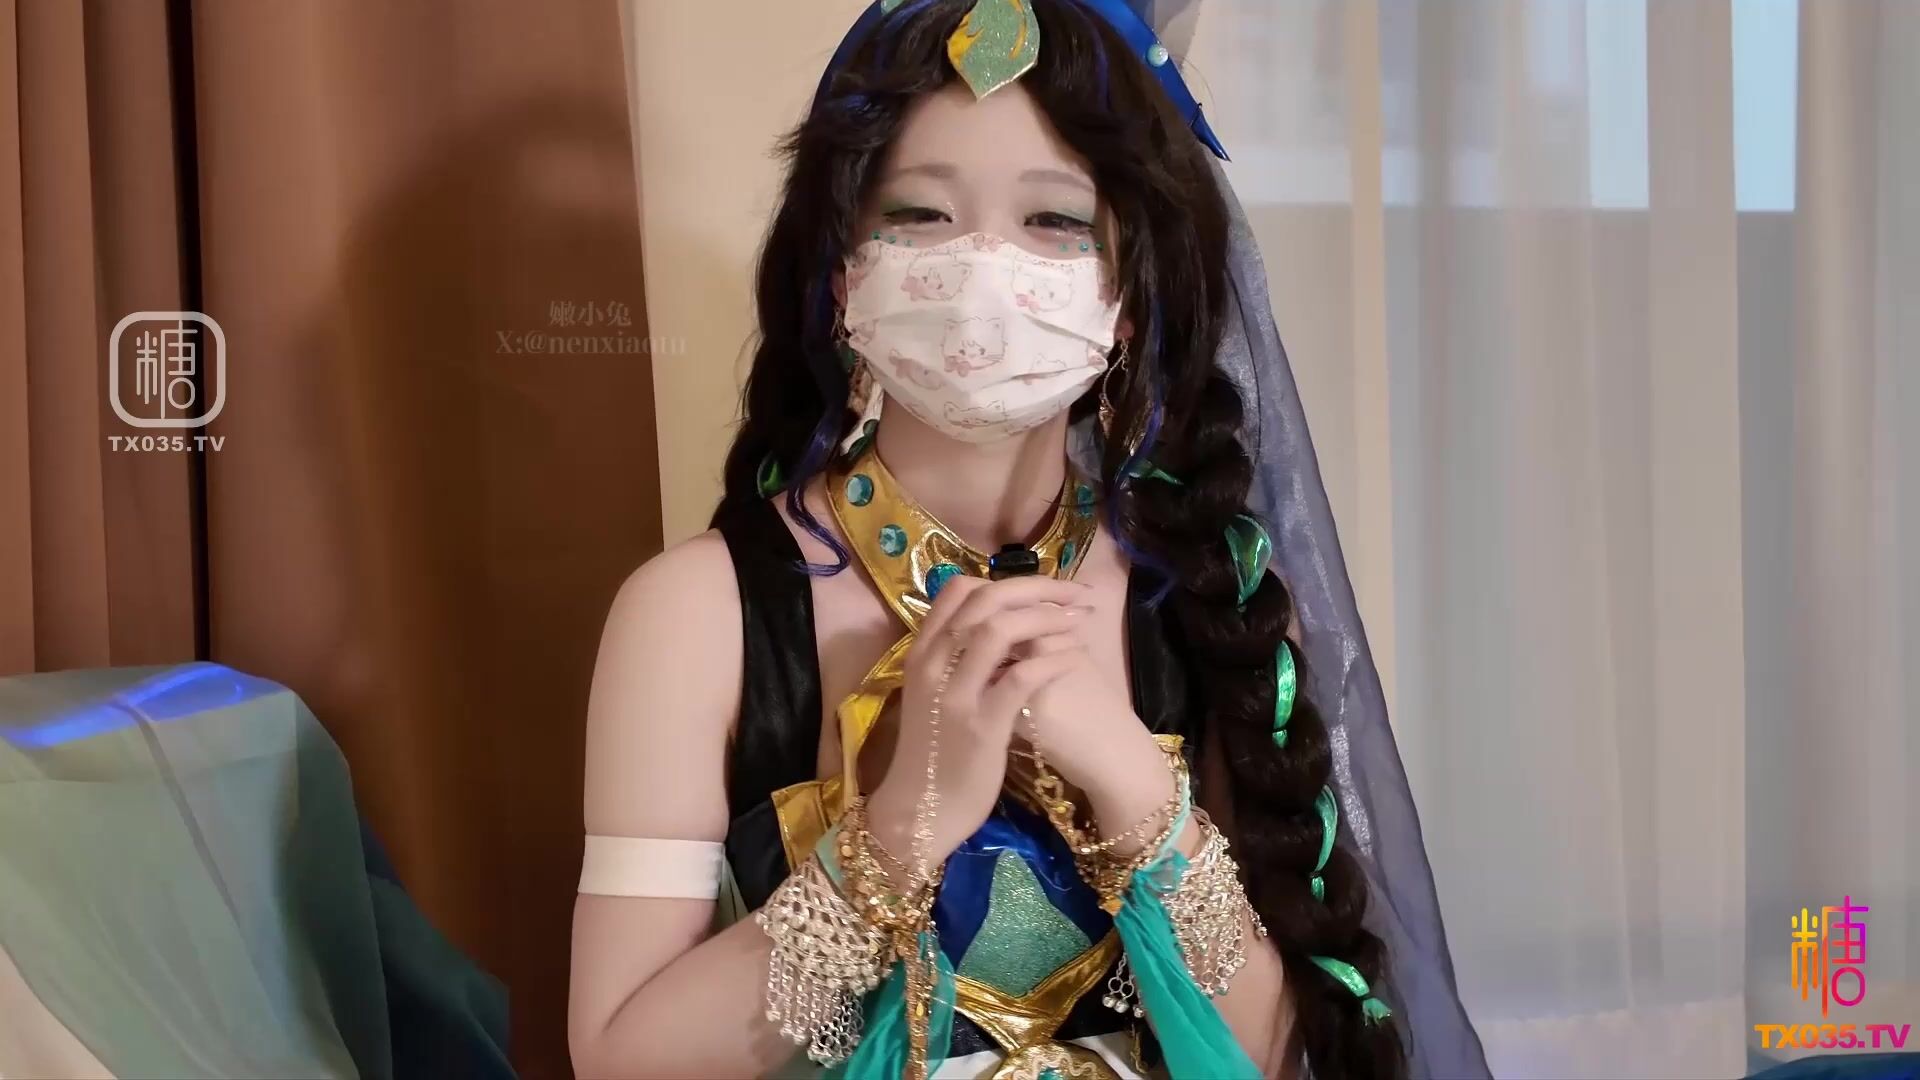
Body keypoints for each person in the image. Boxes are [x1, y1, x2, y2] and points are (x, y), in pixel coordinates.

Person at [568, 2, 1488, 1077]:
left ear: (1129, 299)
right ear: (842, 272)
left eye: (1053, 221)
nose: (983, 267)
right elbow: (617, 1058)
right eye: (920, 213)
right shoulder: (696, 615)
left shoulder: (1194, 596)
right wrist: (902, 832)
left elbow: (1274, 1056)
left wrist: (1137, 791)